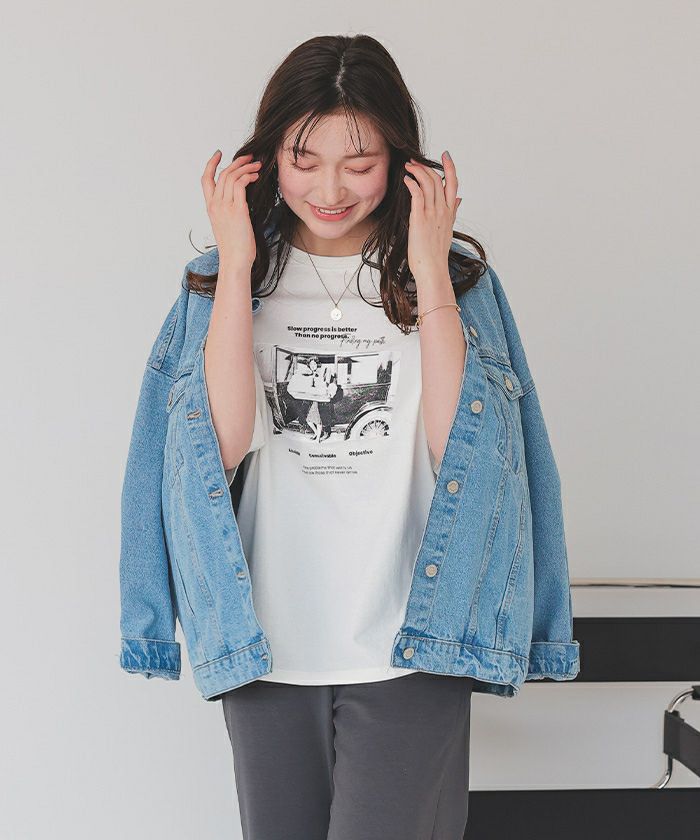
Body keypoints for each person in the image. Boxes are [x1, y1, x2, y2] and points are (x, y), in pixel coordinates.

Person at [119, 32, 580, 840]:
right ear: (269, 156)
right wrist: (236, 267)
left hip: (415, 644)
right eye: (304, 159)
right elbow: (218, 449)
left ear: (399, 161)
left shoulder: (457, 283)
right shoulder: (220, 284)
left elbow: (465, 452)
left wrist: (429, 271)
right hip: (263, 646)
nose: (329, 188)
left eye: (359, 162)